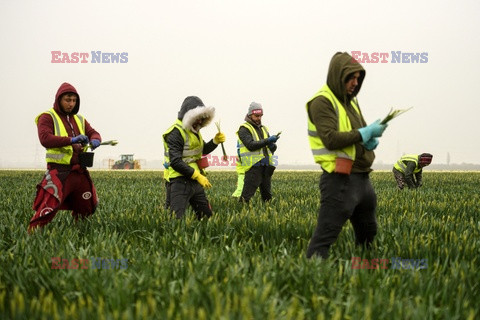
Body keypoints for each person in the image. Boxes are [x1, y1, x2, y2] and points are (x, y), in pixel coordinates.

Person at [305, 52, 388, 259]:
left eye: (358, 78)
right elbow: (330, 139)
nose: (355, 83)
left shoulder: (351, 102)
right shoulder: (321, 102)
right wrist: (364, 133)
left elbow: (355, 133)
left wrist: (368, 139)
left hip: (362, 178)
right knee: (325, 237)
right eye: (351, 77)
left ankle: (363, 275)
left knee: (368, 232)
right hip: (339, 180)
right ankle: (312, 279)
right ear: (337, 75)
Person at [29, 82, 102, 232]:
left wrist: (96, 139)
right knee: (47, 209)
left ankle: (81, 236)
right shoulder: (47, 117)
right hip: (59, 173)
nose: (71, 104)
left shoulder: (79, 119)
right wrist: (71, 140)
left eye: (74, 100)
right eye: (68, 100)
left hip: (79, 172)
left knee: (86, 208)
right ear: (59, 99)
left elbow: (93, 132)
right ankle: (31, 235)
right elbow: (45, 139)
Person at [163, 96, 225, 219]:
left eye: (202, 119)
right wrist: (197, 176)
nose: (200, 122)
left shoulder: (194, 130)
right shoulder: (176, 132)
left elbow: (202, 150)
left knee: (206, 217)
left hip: (194, 181)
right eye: (197, 119)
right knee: (175, 219)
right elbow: (175, 161)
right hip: (179, 181)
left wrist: (215, 141)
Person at [236, 102, 279, 203]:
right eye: (256, 116)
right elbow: (250, 145)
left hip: (266, 166)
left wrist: (273, 146)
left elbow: (268, 149)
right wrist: (268, 141)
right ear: (250, 115)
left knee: (267, 197)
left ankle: (268, 215)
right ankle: (240, 213)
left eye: (260, 116)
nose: (259, 118)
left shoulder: (264, 128)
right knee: (246, 197)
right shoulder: (244, 129)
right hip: (253, 167)